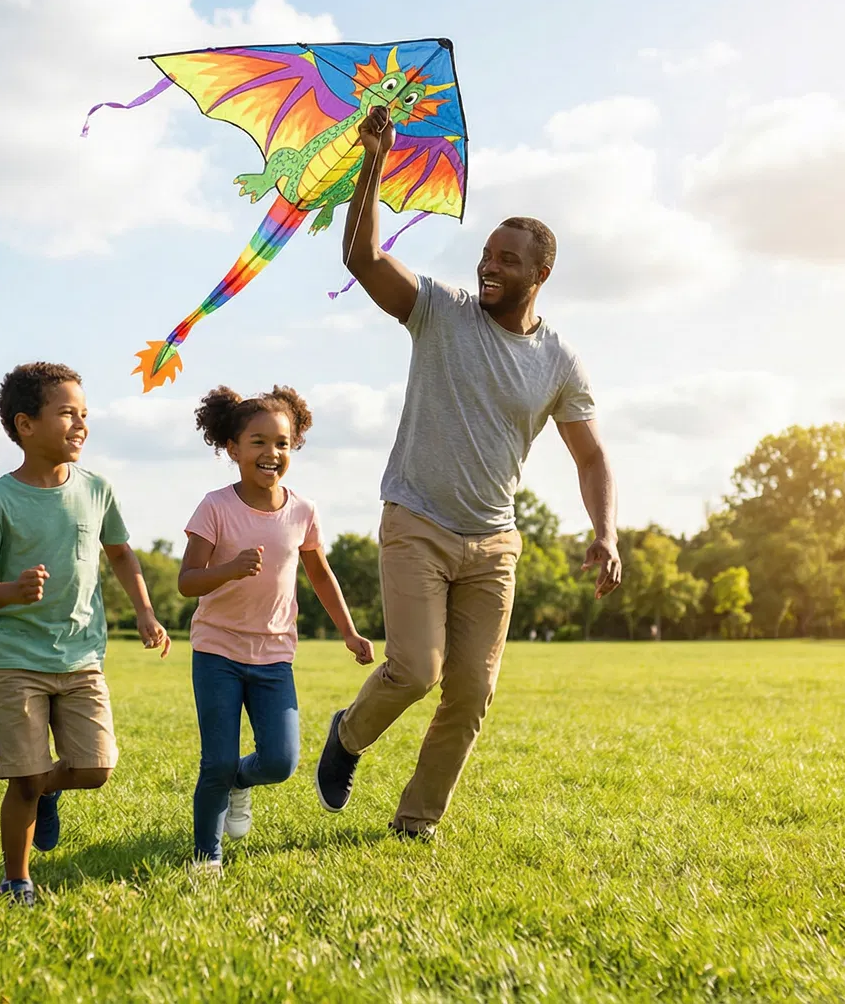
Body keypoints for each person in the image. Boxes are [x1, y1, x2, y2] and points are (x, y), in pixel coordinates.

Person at [313, 106, 624, 840]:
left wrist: (606, 532)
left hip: (493, 544)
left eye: (507, 260)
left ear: (541, 274)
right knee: (416, 671)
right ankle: (349, 735)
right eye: (486, 254)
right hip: (417, 521)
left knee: (472, 692)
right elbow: (361, 260)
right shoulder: (441, 311)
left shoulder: (559, 362)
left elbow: (592, 455)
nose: (490, 266)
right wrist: (372, 162)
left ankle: (415, 823)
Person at [0, 362, 172, 905]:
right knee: (22, 781)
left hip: (82, 656)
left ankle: (42, 788)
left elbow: (121, 553)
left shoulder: (97, 489)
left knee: (96, 769)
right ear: (25, 425)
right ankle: (17, 879)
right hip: (15, 657)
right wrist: (12, 592)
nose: (80, 425)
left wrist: (145, 611)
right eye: (67, 414)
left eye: (85, 414)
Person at [177, 385, 374, 875]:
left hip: (274, 656)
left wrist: (349, 632)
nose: (272, 453)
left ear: (295, 448)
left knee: (281, 762)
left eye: (282, 443)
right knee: (215, 762)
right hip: (217, 650)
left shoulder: (302, 511)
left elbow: (320, 574)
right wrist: (229, 569)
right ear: (233, 449)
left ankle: (242, 782)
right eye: (259, 442)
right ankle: (207, 858)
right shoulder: (215, 507)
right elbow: (186, 581)